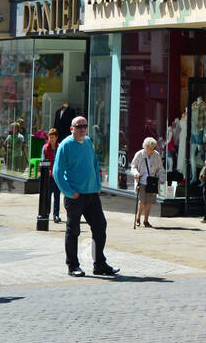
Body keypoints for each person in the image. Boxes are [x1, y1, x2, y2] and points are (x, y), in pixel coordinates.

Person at [52, 115, 119, 278]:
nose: (82, 129)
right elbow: (57, 172)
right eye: (78, 126)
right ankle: (73, 266)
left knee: (100, 227)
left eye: (84, 126)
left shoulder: (88, 142)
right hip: (75, 196)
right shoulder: (66, 145)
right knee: (73, 230)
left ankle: (99, 264)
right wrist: (69, 192)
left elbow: (95, 164)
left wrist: (97, 185)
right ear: (71, 129)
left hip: (91, 195)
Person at [128, 137, 164, 229]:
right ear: (145, 147)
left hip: (152, 182)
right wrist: (136, 173)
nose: (151, 150)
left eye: (153, 148)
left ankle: (146, 220)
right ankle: (138, 218)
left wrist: (162, 178)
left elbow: (160, 168)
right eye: (150, 148)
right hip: (142, 181)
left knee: (149, 202)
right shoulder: (139, 154)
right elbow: (133, 166)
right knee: (142, 202)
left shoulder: (156, 155)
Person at [41, 128, 61, 222]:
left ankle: (56, 215)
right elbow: (43, 160)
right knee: (48, 196)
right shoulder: (45, 148)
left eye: (52, 137)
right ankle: (47, 213)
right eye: (50, 137)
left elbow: (62, 161)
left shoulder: (60, 147)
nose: (51, 139)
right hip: (48, 176)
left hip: (57, 176)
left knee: (57, 196)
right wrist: (47, 170)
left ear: (56, 137)